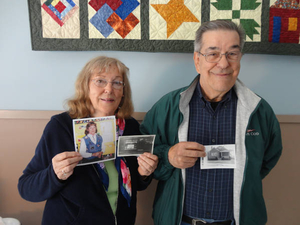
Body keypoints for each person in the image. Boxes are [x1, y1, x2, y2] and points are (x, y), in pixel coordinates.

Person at [140, 20, 282, 225]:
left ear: (240, 58)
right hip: (180, 220)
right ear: (197, 60)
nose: (223, 64)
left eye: (232, 53)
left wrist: (245, 175)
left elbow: (267, 158)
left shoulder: (259, 110)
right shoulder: (169, 106)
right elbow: (143, 152)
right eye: (213, 53)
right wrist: (168, 156)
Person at [18, 56, 158, 225]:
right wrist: (54, 174)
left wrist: (144, 174)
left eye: (117, 83)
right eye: (100, 81)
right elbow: (26, 188)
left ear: (123, 91)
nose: (109, 89)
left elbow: (136, 184)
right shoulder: (61, 127)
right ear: (85, 87)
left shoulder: (129, 127)